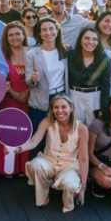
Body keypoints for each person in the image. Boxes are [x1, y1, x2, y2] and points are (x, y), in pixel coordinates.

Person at [10, 95, 88, 213]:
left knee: (70, 184)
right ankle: (43, 197)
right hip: (49, 161)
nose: (59, 111)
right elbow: (33, 141)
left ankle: (67, 201)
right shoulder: (47, 122)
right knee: (35, 164)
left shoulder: (81, 128)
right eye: (56, 107)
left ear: (71, 108)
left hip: (69, 166)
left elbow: (83, 159)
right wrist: (17, 148)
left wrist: (82, 188)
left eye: (63, 107)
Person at [25, 17, 68, 155]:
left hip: (60, 97)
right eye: (44, 30)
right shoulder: (32, 53)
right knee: (38, 138)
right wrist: (33, 79)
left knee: (58, 137)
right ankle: (35, 172)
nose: (48, 32)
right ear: (40, 33)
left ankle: (56, 171)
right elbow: (27, 78)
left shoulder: (65, 51)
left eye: (51, 28)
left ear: (57, 30)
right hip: (39, 100)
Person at [0, 22, 30, 177]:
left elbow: (38, 74)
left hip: (28, 100)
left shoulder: (31, 52)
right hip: (8, 100)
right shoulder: (1, 54)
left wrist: (27, 92)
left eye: (18, 33)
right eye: (11, 35)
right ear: (6, 37)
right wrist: (13, 93)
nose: (15, 37)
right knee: (8, 131)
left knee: (25, 131)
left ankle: (23, 166)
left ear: (23, 35)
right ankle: (8, 167)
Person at [67, 27, 111, 126]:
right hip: (74, 96)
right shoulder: (69, 56)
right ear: (80, 40)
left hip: (95, 97)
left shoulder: (104, 60)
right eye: (86, 38)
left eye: (94, 39)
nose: (90, 42)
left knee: (93, 128)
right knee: (74, 126)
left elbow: (106, 86)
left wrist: (104, 108)